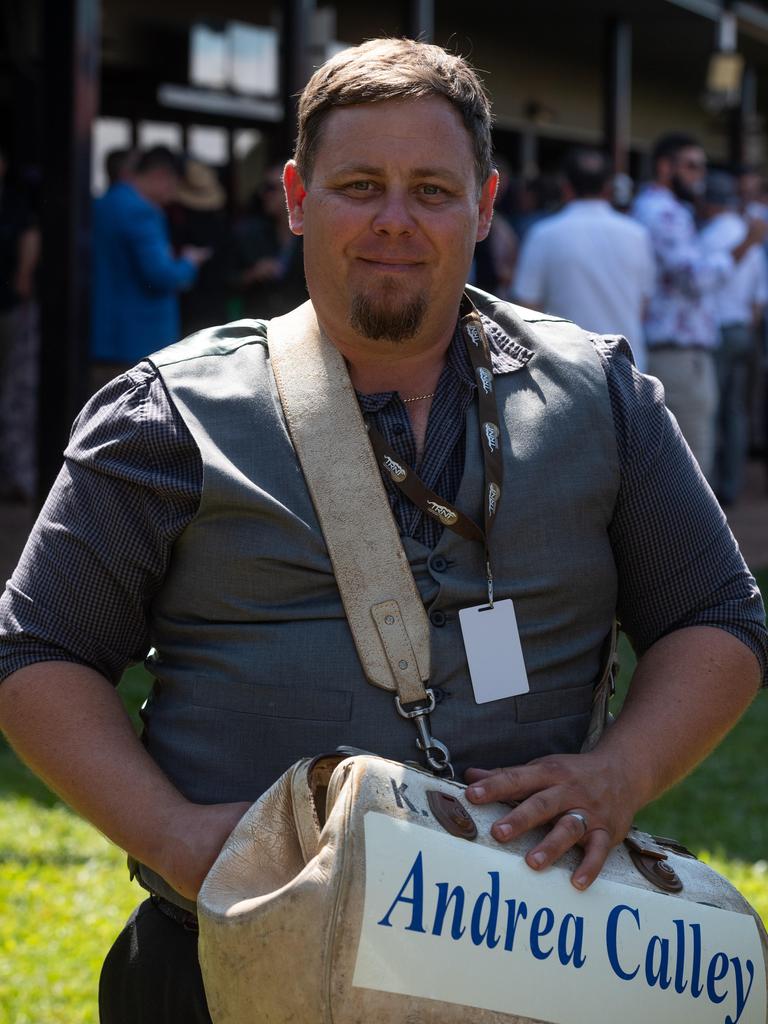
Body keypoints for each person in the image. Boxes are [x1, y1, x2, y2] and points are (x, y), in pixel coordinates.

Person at [0, 38, 765, 1024]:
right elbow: (39, 653)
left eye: (432, 191)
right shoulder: (165, 414)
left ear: (484, 205)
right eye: (359, 185)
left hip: (531, 964)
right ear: (296, 196)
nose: (395, 222)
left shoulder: (602, 394)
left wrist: (623, 770)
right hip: (235, 966)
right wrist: (180, 839)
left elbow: (716, 617)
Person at [632, 132, 767, 481]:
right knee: (692, 469)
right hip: (677, 353)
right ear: (665, 167)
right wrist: (748, 243)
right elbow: (695, 278)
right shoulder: (664, 211)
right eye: (692, 166)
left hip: (677, 350)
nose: (699, 176)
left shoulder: (662, 209)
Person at [513, 147, 655, 371]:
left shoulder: (544, 234)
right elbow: (644, 305)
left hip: (565, 369)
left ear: (565, 186)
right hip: (628, 368)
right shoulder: (637, 235)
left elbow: (526, 307)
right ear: (608, 187)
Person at [89, 146, 210, 391]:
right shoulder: (142, 211)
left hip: (104, 338)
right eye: (175, 184)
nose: (174, 193)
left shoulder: (104, 204)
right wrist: (189, 262)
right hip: (137, 343)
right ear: (160, 176)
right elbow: (161, 275)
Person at [699, 171, 768, 505]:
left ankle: (708, 488)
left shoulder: (711, 235)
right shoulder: (748, 236)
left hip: (718, 331)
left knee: (711, 410)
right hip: (743, 329)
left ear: (711, 202)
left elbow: (700, 285)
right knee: (736, 411)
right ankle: (732, 485)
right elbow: (759, 297)